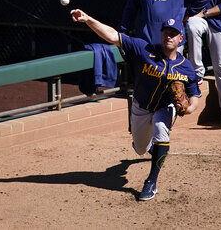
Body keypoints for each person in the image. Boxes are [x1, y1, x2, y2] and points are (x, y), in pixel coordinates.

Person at [71, 11, 199, 202]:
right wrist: (89, 19)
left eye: (173, 33)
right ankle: (149, 149)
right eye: (165, 32)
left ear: (181, 38)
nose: (168, 36)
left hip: (164, 107)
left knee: (161, 131)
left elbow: (195, 93)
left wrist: (190, 108)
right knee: (140, 148)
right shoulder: (143, 49)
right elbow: (113, 36)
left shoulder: (186, 66)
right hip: (140, 107)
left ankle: (151, 182)